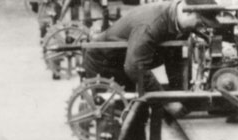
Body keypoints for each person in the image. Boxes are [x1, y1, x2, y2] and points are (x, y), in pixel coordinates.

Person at [81, 0, 215, 93]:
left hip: (125, 61)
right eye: (200, 21)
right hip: (104, 63)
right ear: (188, 12)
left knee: (140, 111)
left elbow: (173, 59)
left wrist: (175, 95)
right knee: (116, 116)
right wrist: (164, 99)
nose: (200, 26)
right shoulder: (151, 26)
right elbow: (134, 67)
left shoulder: (179, 22)